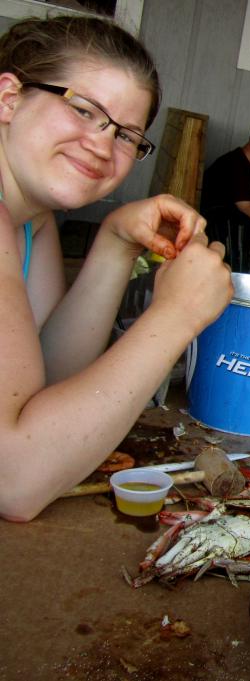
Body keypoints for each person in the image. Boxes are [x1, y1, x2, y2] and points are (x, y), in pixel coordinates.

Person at [0, 16, 233, 522]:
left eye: (127, 135)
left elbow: (41, 388)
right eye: (83, 110)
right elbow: (15, 478)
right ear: (9, 98)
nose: (103, 146)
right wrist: (176, 316)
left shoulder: (31, 220)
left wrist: (115, 243)